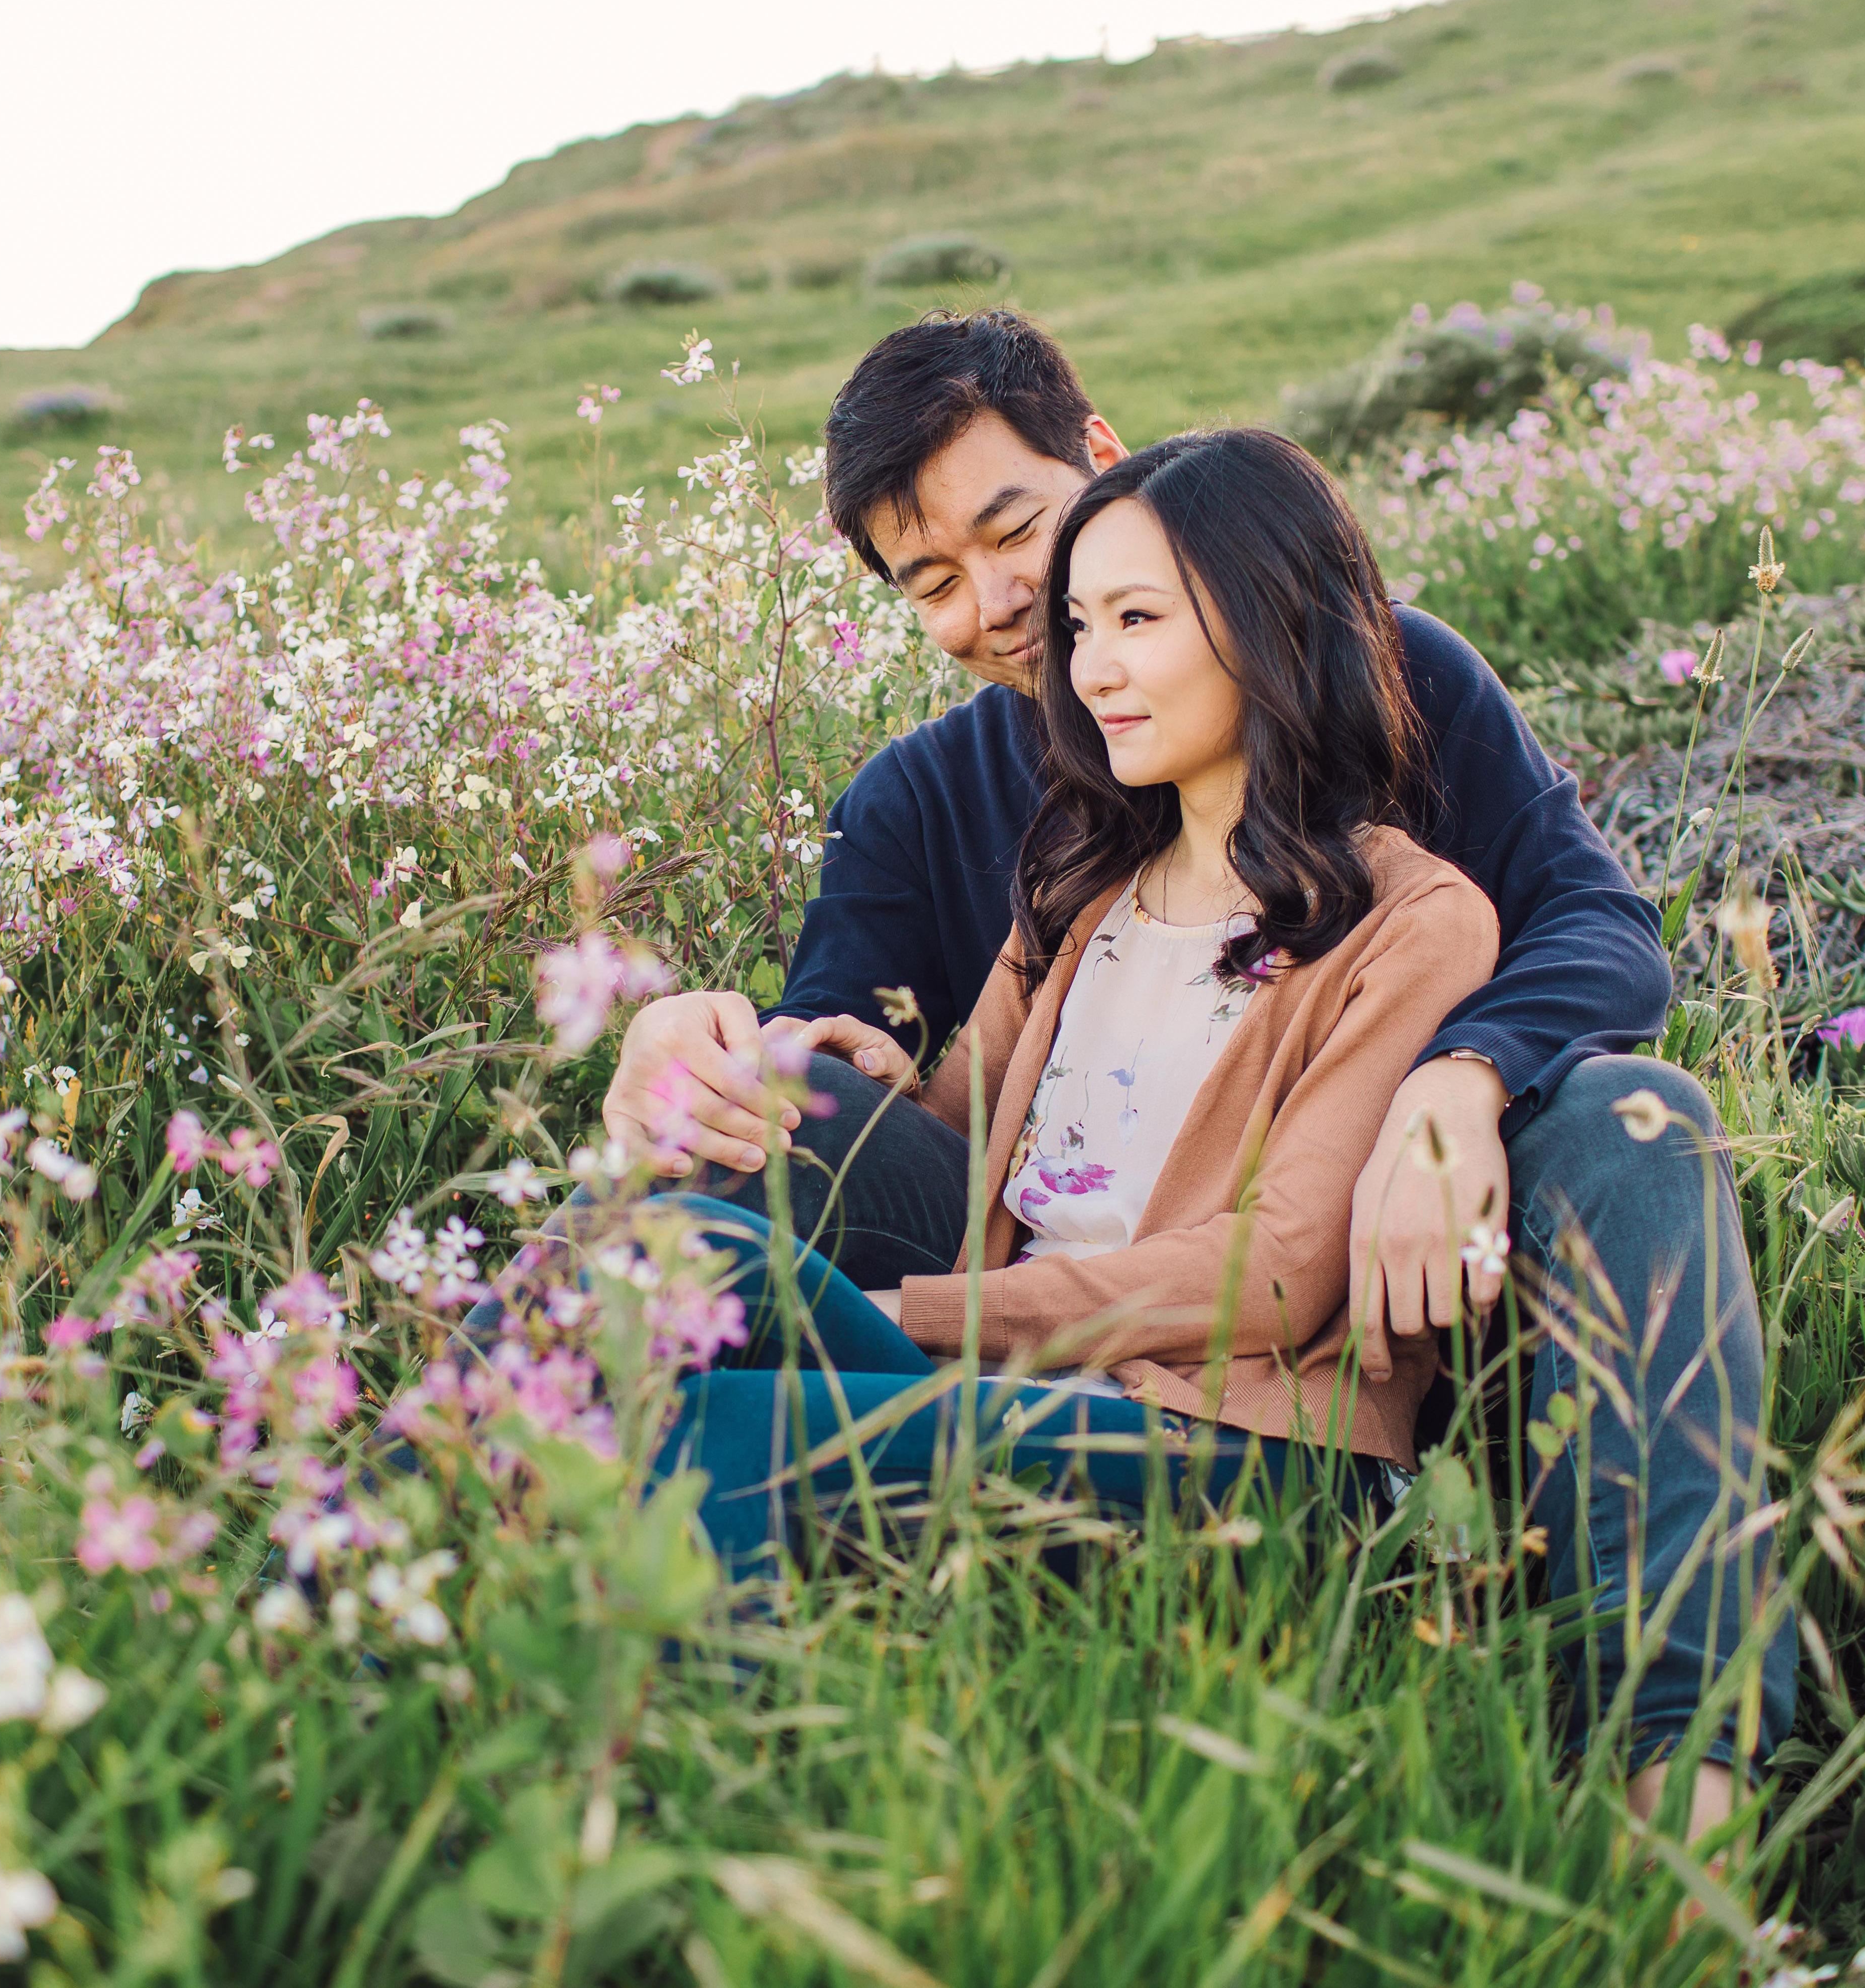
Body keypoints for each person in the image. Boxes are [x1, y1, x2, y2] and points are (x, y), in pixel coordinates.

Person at [522, 312, 1791, 1832]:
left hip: (1319, 1344)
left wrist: (1464, 1075)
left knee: (1633, 1117)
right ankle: (384, 1593)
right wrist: (695, 1045)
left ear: (1120, 481)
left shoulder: (1402, 758)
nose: (1016, 611)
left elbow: (1587, 929)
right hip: (1028, 1297)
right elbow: (840, 1056)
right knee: (628, 1253)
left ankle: (1671, 1763)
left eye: (1028, 542)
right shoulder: (1031, 845)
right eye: (940, 584)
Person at [640, 427, 1499, 1567]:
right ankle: (369, 1579)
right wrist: (846, 1077)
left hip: (1234, 1439)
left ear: (1270, 616)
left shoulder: (1409, 913)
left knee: (701, 1427)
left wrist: (920, 1318)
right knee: (673, 1252)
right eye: (1081, 627)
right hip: (1019, 1377)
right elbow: (957, 1150)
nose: (1087, 669)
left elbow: (1284, 1273)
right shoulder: (1077, 887)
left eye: (1136, 621)